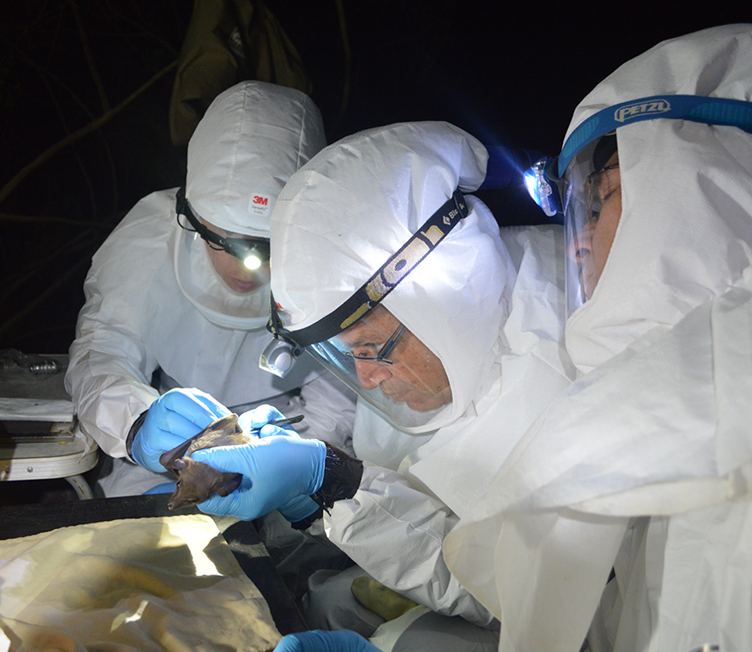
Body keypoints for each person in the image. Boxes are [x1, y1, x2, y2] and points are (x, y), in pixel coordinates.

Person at [440, 24, 752, 652]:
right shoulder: (661, 406)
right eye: (577, 212)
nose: (577, 241)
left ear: (727, 186)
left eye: (604, 198)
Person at [180, 121, 577, 651]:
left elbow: (546, 596)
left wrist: (337, 483)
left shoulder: (566, 354)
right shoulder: (436, 359)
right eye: (349, 358)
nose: (366, 378)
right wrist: (313, 494)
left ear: (443, 302)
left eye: (372, 350)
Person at [65, 80, 356, 501]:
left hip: (286, 439)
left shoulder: (333, 256)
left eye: (268, 246)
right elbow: (102, 351)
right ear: (193, 215)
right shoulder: (149, 240)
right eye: (225, 240)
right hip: (165, 457)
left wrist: (298, 473)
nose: (245, 268)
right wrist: (137, 424)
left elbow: (340, 392)